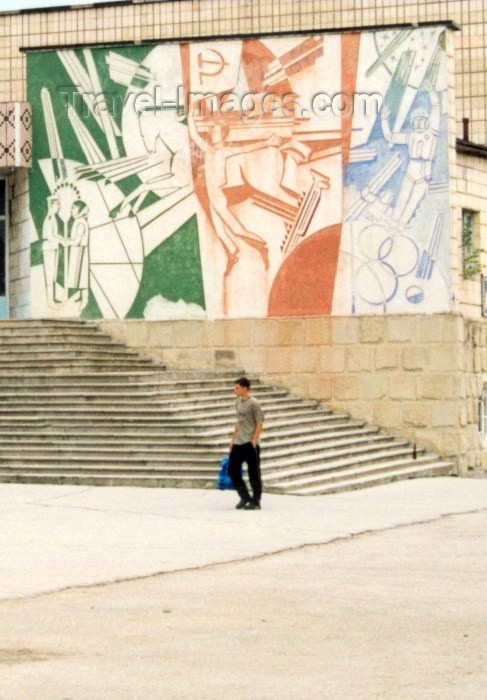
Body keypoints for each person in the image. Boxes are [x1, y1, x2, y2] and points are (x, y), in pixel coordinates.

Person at [228, 376, 264, 510]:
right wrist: (233, 440)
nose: (235, 390)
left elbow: (260, 422)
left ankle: (256, 501)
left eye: (237, 388)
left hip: (250, 444)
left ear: (244, 388)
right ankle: (244, 497)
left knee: (254, 473)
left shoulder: (254, 403)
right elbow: (238, 422)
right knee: (232, 470)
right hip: (238, 442)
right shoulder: (237, 402)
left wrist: (254, 441)